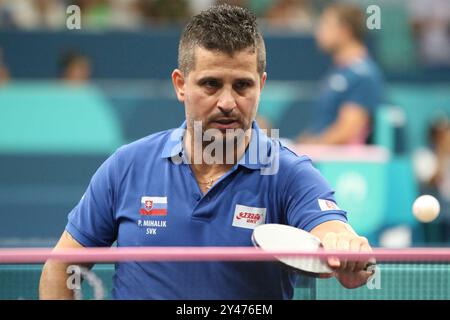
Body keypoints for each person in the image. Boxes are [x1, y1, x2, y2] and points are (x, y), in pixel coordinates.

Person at [39, 4, 373, 300]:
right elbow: (61, 267)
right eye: (211, 84)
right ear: (181, 84)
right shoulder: (127, 166)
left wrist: (345, 248)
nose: (227, 103)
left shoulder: (288, 172)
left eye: (242, 85)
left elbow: (330, 228)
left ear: (262, 85)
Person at [297, 3, 384, 145]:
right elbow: (322, 124)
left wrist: (308, 147)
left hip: (340, 163)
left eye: (325, 25)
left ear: (344, 31)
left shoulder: (363, 75)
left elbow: (348, 131)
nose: (318, 32)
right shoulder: (338, 72)